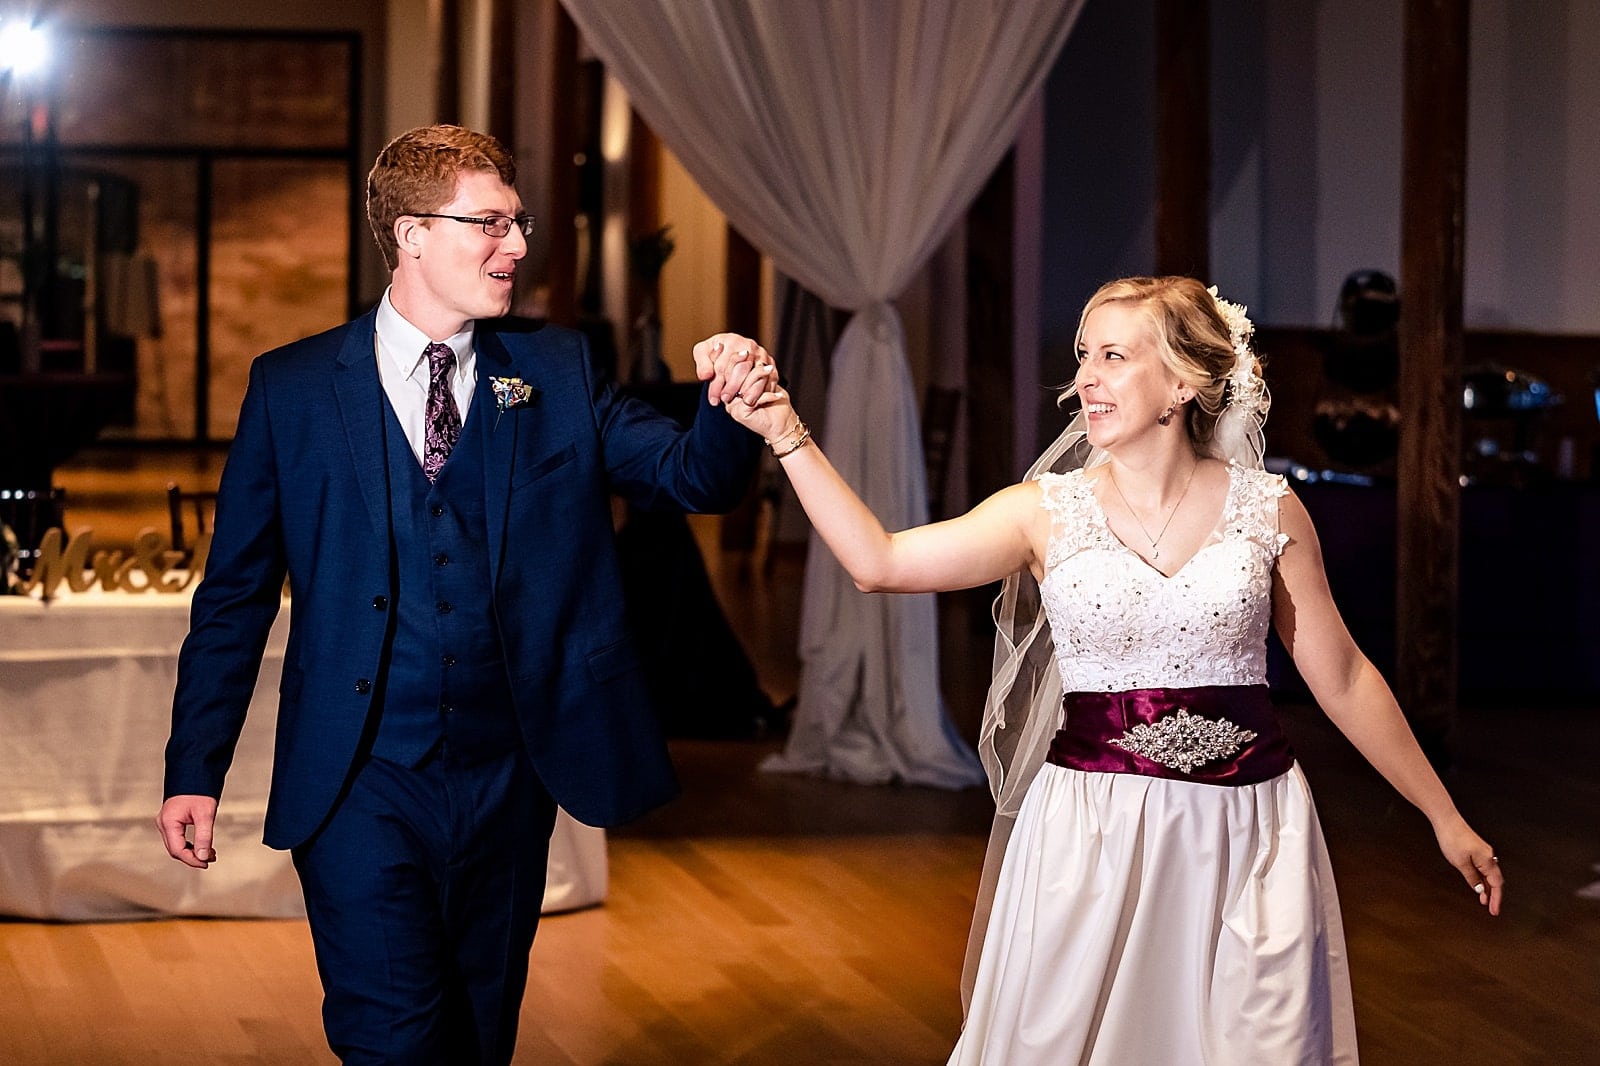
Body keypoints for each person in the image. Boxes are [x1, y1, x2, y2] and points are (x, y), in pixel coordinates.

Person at [713, 275, 1504, 1064]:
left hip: (1249, 831)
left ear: (1185, 383)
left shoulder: (1269, 509)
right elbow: (877, 562)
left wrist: (1443, 815)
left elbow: (1344, 678)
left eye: (1114, 356)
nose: (1085, 377)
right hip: (1092, 834)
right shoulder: (1041, 512)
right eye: (1083, 355)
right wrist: (786, 431)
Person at [156, 124, 774, 1064]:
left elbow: (694, 478)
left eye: (517, 223)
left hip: (510, 775)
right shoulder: (291, 390)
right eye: (491, 223)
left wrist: (728, 404)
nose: (517, 245)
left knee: (479, 1037)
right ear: (411, 234)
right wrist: (195, 764)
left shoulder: (556, 370)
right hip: (360, 777)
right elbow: (234, 596)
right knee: (393, 1038)